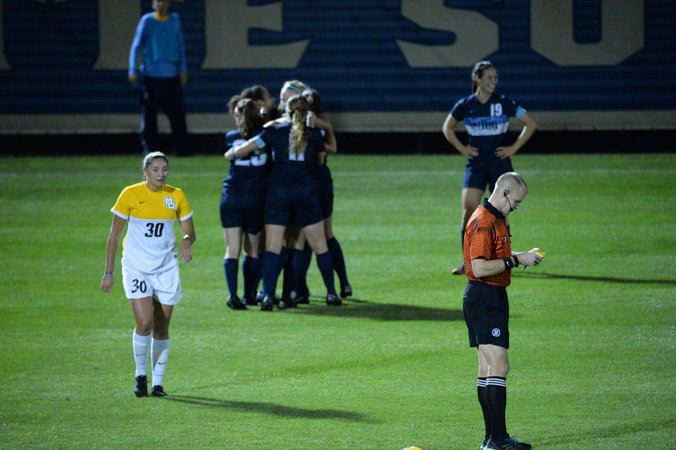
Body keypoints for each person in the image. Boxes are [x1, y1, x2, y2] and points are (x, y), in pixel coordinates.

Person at [225, 95, 340, 310]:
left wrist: (231, 153)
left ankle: (268, 296)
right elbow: (320, 160)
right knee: (319, 245)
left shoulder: (274, 132)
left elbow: (244, 149)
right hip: (306, 193)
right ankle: (332, 293)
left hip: (279, 194)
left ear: (286, 111)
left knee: (273, 246)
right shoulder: (314, 134)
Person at [100, 152, 196, 398]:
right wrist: (109, 272)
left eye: (165, 169)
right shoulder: (130, 194)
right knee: (144, 323)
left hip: (166, 268)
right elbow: (114, 236)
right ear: (145, 172)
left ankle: (158, 384)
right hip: (137, 267)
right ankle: (140, 375)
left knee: (162, 327)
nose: (161, 174)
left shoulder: (176, 195)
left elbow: (189, 231)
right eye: (155, 169)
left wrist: (186, 240)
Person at [461, 172, 543, 449]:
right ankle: (497, 439)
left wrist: (521, 256)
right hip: (484, 297)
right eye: (516, 201)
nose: (517, 207)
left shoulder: (496, 219)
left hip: (489, 297)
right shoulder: (484, 221)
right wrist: (515, 260)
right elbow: (480, 267)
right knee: (499, 366)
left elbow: (496, 256)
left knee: (487, 369)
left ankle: (492, 439)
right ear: (505, 193)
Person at [443, 61, 537, 275]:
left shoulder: (503, 102)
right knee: (468, 209)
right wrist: (462, 148)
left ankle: (505, 259)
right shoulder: (465, 104)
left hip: (499, 164)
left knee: (502, 213)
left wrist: (513, 148)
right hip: (476, 164)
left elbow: (530, 123)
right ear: (477, 79)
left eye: (495, 77)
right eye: (489, 77)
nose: (493, 81)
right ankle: (468, 262)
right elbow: (447, 127)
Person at [221, 96, 269, 309]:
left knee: (232, 249)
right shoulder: (266, 136)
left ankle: (233, 296)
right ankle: (249, 294)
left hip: (231, 196)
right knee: (253, 249)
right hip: (255, 198)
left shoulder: (231, 137)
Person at [128, 0, 190, 157]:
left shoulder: (175, 20)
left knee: (177, 115)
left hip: (172, 76)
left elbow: (180, 46)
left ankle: (181, 149)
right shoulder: (147, 20)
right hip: (151, 77)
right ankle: (150, 150)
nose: (160, 4)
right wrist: (132, 69)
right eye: (157, 1)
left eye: (163, 1)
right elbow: (136, 46)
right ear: (153, 3)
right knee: (149, 116)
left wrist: (182, 70)